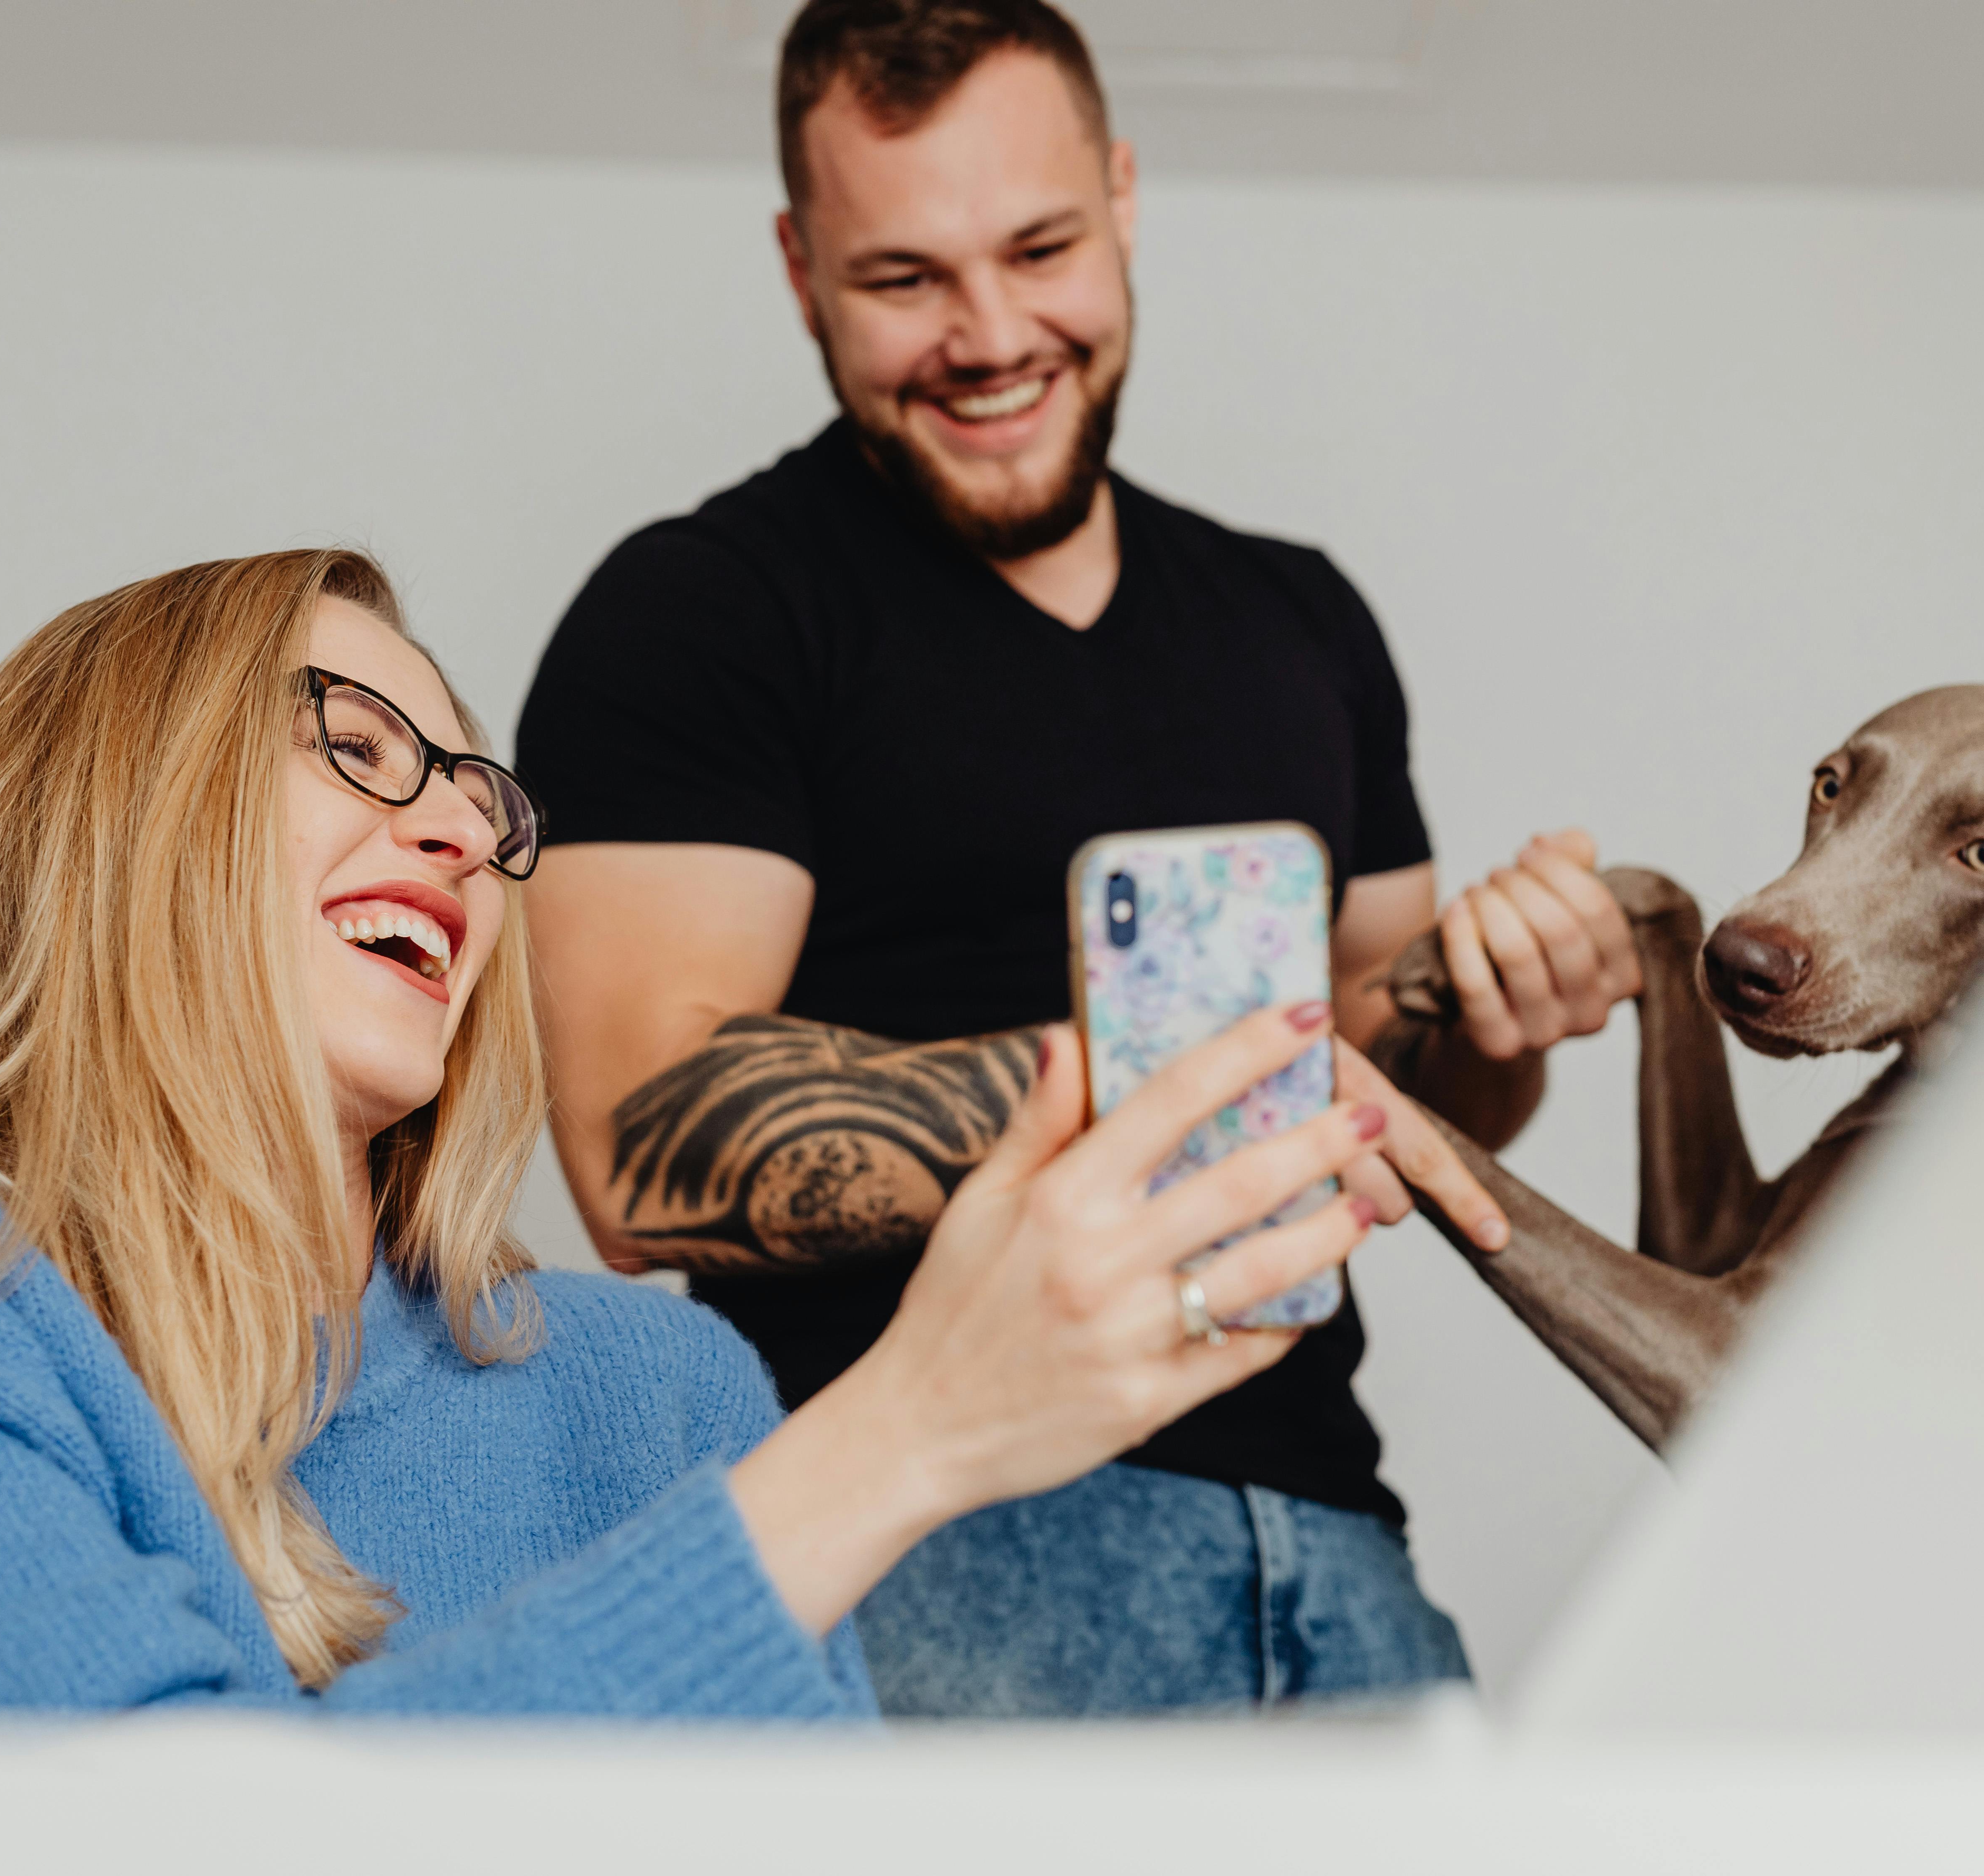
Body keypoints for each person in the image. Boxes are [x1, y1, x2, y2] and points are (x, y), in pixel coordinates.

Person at [0, 548, 1505, 1713]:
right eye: (357, 745)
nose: (465, 839)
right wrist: (906, 1435)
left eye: (482, 799)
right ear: (105, 806)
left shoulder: (656, 1391)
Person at [515, 0, 1640, 1716]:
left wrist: (1501, 1008)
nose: (988, 333)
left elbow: (1402, 1097)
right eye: (903, 278)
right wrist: (1173, 1078)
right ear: (800, 266)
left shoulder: (1302, 618)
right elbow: (631, 1144)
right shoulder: (702, 615)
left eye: (1039, 246)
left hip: (1338, 1537)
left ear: (1122, 196)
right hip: (950, 1546)